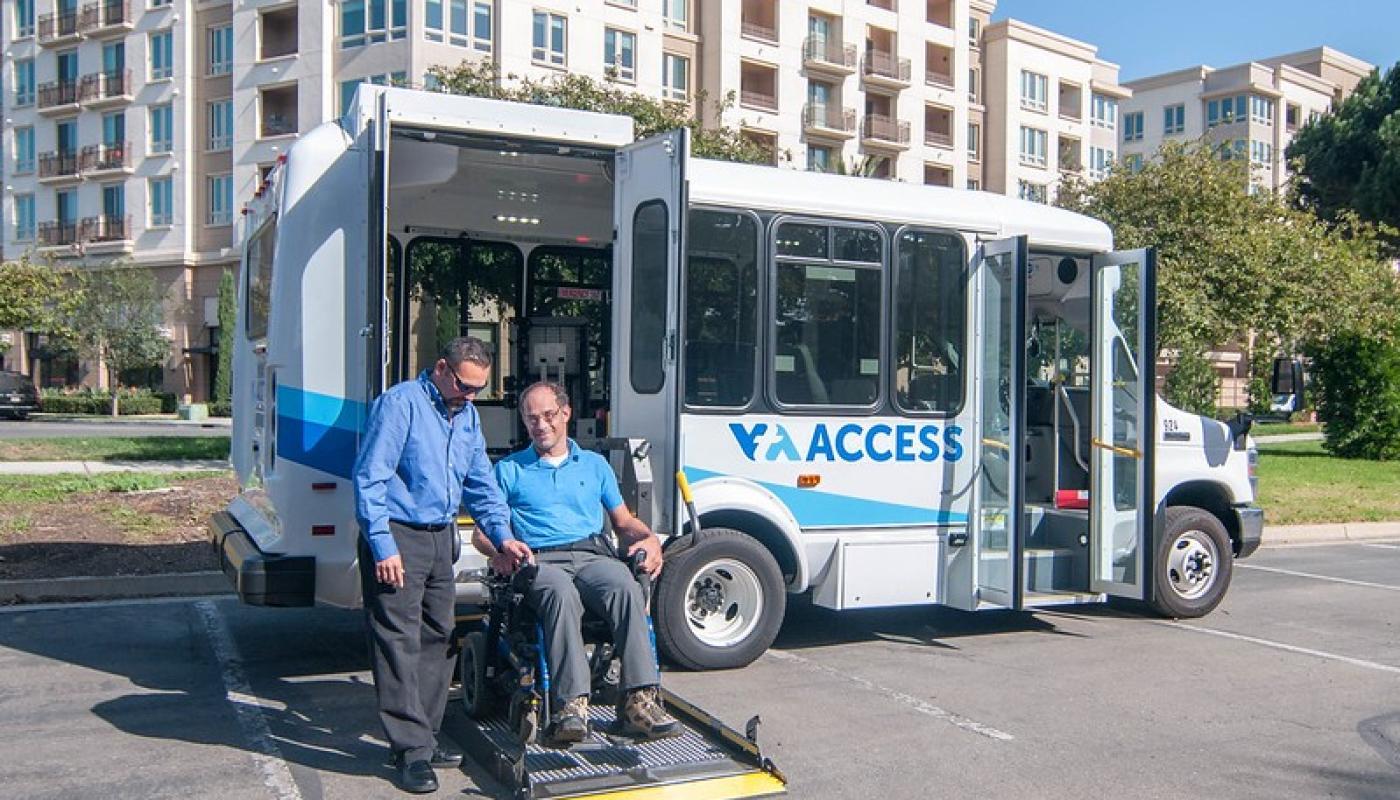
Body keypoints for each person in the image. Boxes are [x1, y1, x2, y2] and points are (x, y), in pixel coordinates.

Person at [352, 337, 527, 794]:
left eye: (478, 390)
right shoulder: (399, 405)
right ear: (443, 368)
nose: (471, 397)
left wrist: (504, 537)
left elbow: (481, 484)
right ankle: (409, 750)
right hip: (398, 534)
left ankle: (424, 738)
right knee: (397, 639)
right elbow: (370, 476)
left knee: (437, 636)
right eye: (466, 386)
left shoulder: (465, 416)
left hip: (440, 536)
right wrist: (381, 544)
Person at [487, 380, 680, 743]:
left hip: (592, 555)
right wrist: (500, 547)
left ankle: (639, 701)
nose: (541, 426)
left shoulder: (594, 465)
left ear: (566, 414)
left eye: (548, 416)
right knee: (561, 594)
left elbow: (623, 522)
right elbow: (486, 531)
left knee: (625, 586)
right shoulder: (510, 469)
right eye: (532, 419)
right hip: (540, 560)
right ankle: (571, 707)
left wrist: (650, 539)